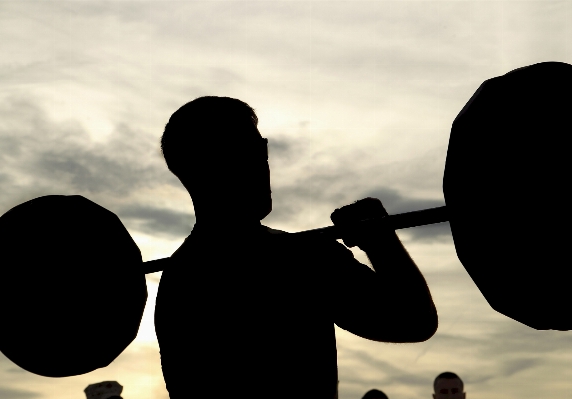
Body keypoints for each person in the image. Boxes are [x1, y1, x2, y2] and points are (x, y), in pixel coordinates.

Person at [155, 96, 438, 399]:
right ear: (211, 165)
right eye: (250, 150)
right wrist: (381, 241)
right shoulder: (301, 258)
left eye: (262, 150)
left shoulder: (175, 281)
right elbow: (414, 320)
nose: (262, 163)